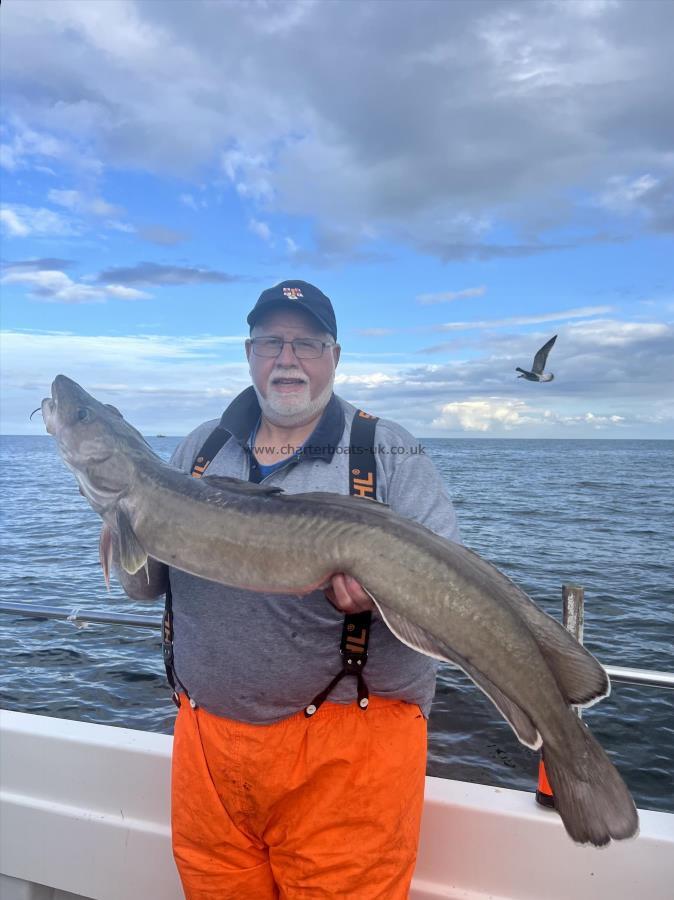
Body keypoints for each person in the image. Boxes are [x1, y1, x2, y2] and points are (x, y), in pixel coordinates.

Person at [114, 280, 459, 899]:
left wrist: (378, 597)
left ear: (335, 355)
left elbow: (446, 594)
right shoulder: (200, 447)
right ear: (250, 353)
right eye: (271, 341)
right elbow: (146, 587)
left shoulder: (386, 450)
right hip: (207, 749)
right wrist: (119, 516)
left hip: (349, 757)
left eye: (306, 343)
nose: (287, 358)